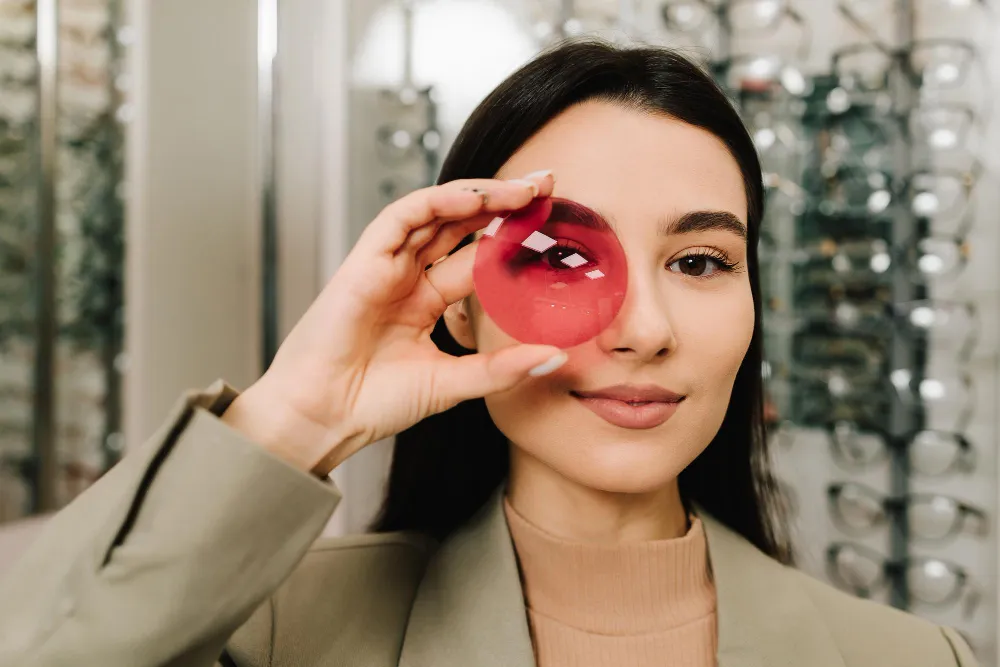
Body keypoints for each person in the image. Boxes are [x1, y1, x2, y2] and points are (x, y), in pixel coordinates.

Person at [0, 39, 977, 667]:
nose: (643, 327)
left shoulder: (918, 658)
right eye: (561, 255)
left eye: (697, 259)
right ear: (463, 307)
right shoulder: (270, 630)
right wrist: (296, 415)